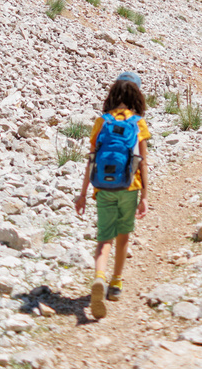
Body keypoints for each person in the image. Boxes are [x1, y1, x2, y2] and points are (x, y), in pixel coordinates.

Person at [75, 71, 150, 319]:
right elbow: (142, 162)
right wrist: (145, 196)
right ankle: (115, 284)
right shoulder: (138, 123)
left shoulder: (102, 121)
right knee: (122, 235)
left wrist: (83, 193)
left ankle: (99, 277)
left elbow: (91, 159)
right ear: (137, 94)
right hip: (129, 187)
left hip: (103, 188)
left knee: (104, 238)